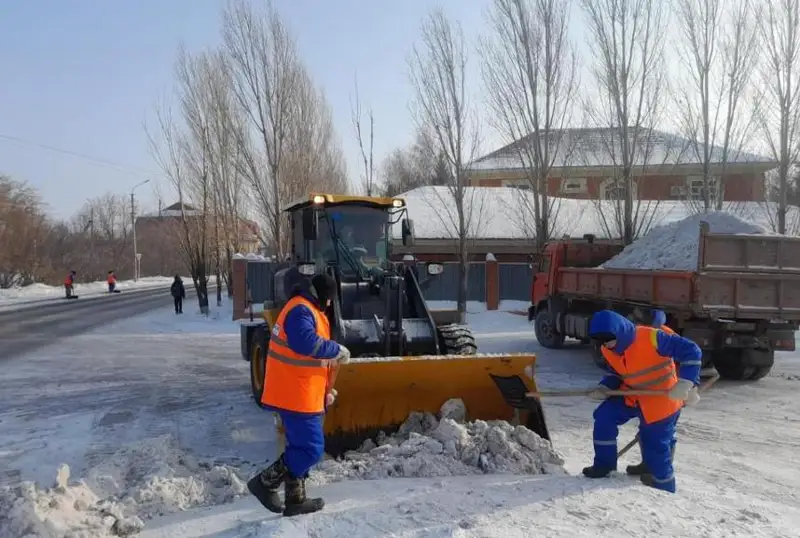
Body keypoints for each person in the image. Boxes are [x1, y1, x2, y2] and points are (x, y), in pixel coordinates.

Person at [247, 273, 350, 517]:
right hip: (295, 395)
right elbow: (305, 343)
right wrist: (335, 349)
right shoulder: (301, 310)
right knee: (310, 450)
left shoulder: (306, 309)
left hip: (302, 392)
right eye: (329, 299)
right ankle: (265, 482)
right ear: (322, 295)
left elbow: (308, 361)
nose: (329, 304)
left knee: (299, 446)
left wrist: (325, 390)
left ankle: (295, 500)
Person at [583, 309, 702, 493]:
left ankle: (663, 484)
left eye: (608, 339)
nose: (605, 345)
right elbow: (616, 372)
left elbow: (691, 350)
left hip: (662, 397)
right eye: (601, 341)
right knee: (604, 417)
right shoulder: (608, 349)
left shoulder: (651, 337)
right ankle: (604, 466)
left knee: (655, 441)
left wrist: (687, 382)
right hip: (633, 394)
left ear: (619, 331)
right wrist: (605, 387)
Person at [626, 310, 700, 479]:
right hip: (650, 393)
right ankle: (648, 465)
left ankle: (660, 471)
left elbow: (691, 359)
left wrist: (691, 386)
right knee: (647, 430)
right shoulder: (633, 335)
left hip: (671, 393)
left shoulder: (665, 336)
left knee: (665, 434)